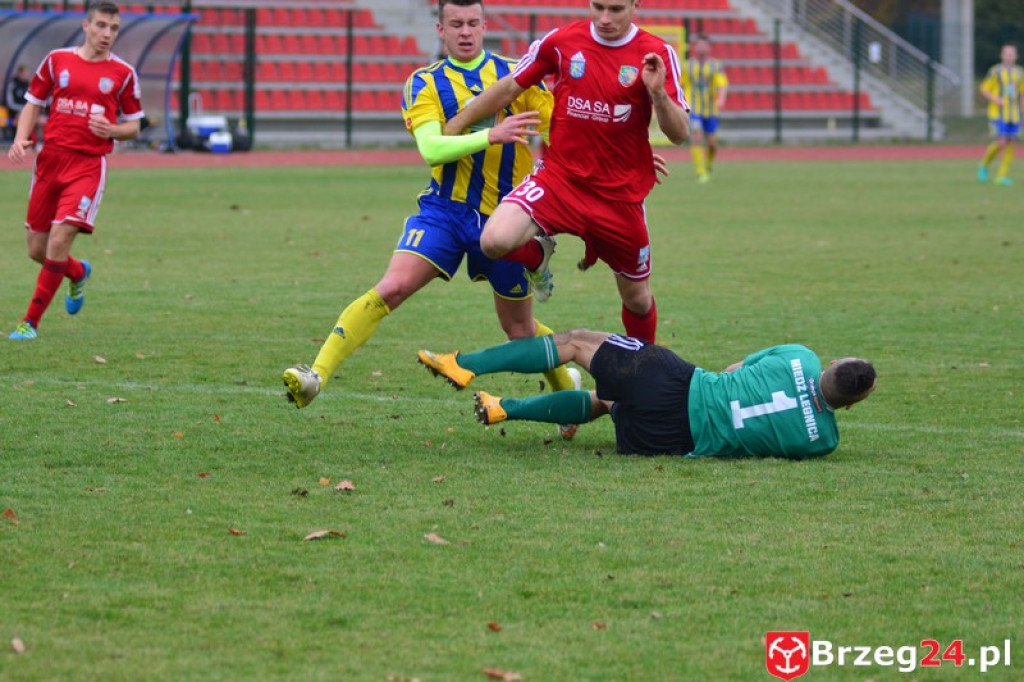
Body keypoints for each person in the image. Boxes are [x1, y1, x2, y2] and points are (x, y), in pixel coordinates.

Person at [281, 0, 582, 436]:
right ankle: (316, 376)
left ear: (485, 26)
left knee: (519, 329)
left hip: (506, 217)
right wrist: (491, 135)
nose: (466, 32)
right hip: (444, 212)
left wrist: (611, 158)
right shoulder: (424, 82)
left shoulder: (518, 75)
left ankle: (567, 392)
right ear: (441, 29)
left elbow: (565, 131)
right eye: (456, 24)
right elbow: (432, 149)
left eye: (473, 23)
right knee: (392, 288)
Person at [442, 0, 690, 345]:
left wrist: (658, 95)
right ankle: (537, 256)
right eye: (598, 7)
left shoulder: (656, 53)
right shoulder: (560, 42)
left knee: (637, 298)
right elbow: (510, 86)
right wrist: (454, 126)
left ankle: (644, 368)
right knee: (494, 240)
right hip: (560, 181)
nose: (604, 18)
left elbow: (680, 134)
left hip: (618, 197)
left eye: (616, 9)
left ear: (635, 5)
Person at [417, 330, 877, 459]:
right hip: (670, 441)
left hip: (677, 385)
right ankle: (504, 408)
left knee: (575, 342)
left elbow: (732, 370)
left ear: (833, 362)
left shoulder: (799, 357)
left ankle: (466, 364)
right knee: (607, 401)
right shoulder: (824, 442)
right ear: (852, 403)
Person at [7, 1, 144, 340]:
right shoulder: (57, 60)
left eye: (114, 28)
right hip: (50, 161)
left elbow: (135, 126)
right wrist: (21, 138)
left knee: (59, 239)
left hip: (87, 166)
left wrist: (113, 129)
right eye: (101, 25)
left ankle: (30, 323)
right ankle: (78, 272)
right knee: (36, 249)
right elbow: (33, 103)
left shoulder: (123, 73)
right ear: (86, 25)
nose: (107, 34)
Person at [680, 34, 728, 183]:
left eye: (704, 45)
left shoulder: (716, 65)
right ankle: (700, 172)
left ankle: (708, 165)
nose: (701, 47)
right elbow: (681, 84)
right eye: (698, 45)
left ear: (709, 47)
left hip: (710, 108)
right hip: (694, 108)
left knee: (712, 143)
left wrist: (721, 99)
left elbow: (722, 84)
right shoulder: (687, 65)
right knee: (697, 136)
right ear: (695, 47)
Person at [978, 44, 1024, 186]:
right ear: (1002, 56)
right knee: (1001, 142)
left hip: (1014, 114)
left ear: (1016, 56)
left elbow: (1022, 94)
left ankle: (1001, 176)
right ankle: (984, 164)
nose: (1009, 57)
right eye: (1006, 54)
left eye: (1012, 54)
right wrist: (996, 99)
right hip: (998, 114)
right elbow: (984, 89)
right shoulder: (995, 72)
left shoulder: (1020, 73)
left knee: (1011, 143)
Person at [5, 65, 31, 142]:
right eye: (24, 73)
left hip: (26, 112)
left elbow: (32, 101)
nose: (25, 75)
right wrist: (22, 109)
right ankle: (20, 141)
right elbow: (10, 103)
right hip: (14, 113)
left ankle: (36, 142)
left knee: (39, 119)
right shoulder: (13, 85)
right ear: (19, 74)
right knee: (22, 117)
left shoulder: (28, 85)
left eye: (26, 73)